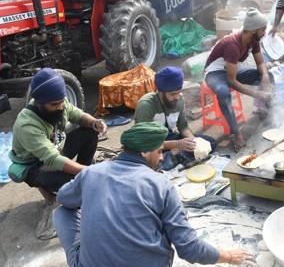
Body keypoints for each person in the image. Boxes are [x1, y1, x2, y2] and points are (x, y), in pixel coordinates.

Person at [53, 122, 253, 267]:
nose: (160, 158)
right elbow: (189, 248)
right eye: (159, 152)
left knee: (61, 213)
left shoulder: (91, 172)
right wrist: (228, 256)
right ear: (144, 153)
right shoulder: (161, 185)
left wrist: (96, 204)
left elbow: (63, 198)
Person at [9, 68, 106, 239]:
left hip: (55, 149)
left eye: (62, 101)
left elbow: (78, 115)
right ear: (39, 103)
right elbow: (53, 159)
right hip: (35, 165)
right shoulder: (27, 125)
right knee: (70, 183)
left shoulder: (58, 102)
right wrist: (87, 173)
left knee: (89, 132)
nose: (60, 106)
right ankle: (69, 187)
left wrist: (95, 122)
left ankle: (82, 177)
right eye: (54, 104)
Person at [204, 8, 272, 151]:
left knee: (268, 75)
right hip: (215, 73)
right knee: (223, 93)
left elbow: (260, 63)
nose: (264, 33)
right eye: (263, 29)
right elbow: (232, 81)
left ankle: (265, 108)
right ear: (253, 30)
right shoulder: (232, 45)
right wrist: (258, 94)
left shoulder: (253, 40)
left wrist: (265, 76)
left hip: (233, 69)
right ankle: (237, 134)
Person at [135, 66, 217, 170]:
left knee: (210, 143)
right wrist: (177, 145)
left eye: (178, 92)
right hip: (152, 145)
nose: (177, 97)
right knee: (146, 161)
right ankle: (174, 157)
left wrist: (193, 141)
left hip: (170, 138)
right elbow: (145, 142)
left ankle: (174, 158)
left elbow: (183, 127)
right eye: (173, 94)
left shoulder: (179, 99)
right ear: (161, 92)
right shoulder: (146, 105)